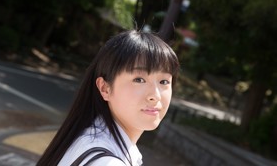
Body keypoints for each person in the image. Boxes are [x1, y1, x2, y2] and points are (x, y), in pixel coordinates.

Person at [37, 30, 179, 166]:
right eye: (139, 80)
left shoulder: (88, 137)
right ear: (105, 88)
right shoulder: (107, 161)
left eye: (164, 82)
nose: (155, 95)